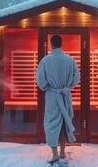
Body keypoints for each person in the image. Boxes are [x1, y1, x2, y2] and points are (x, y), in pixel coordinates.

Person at [36, 35, 80, 163]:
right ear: (61, 44)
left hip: (52, 96)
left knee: (51, 124)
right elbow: (76, 78)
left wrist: (47, 86)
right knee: (63, 124)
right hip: (65, 95)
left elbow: (41, 81)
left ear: (51, 44)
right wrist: (68, 86)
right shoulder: (70, 60)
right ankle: (62, 152)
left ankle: (55, 153)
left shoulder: (45, 60)